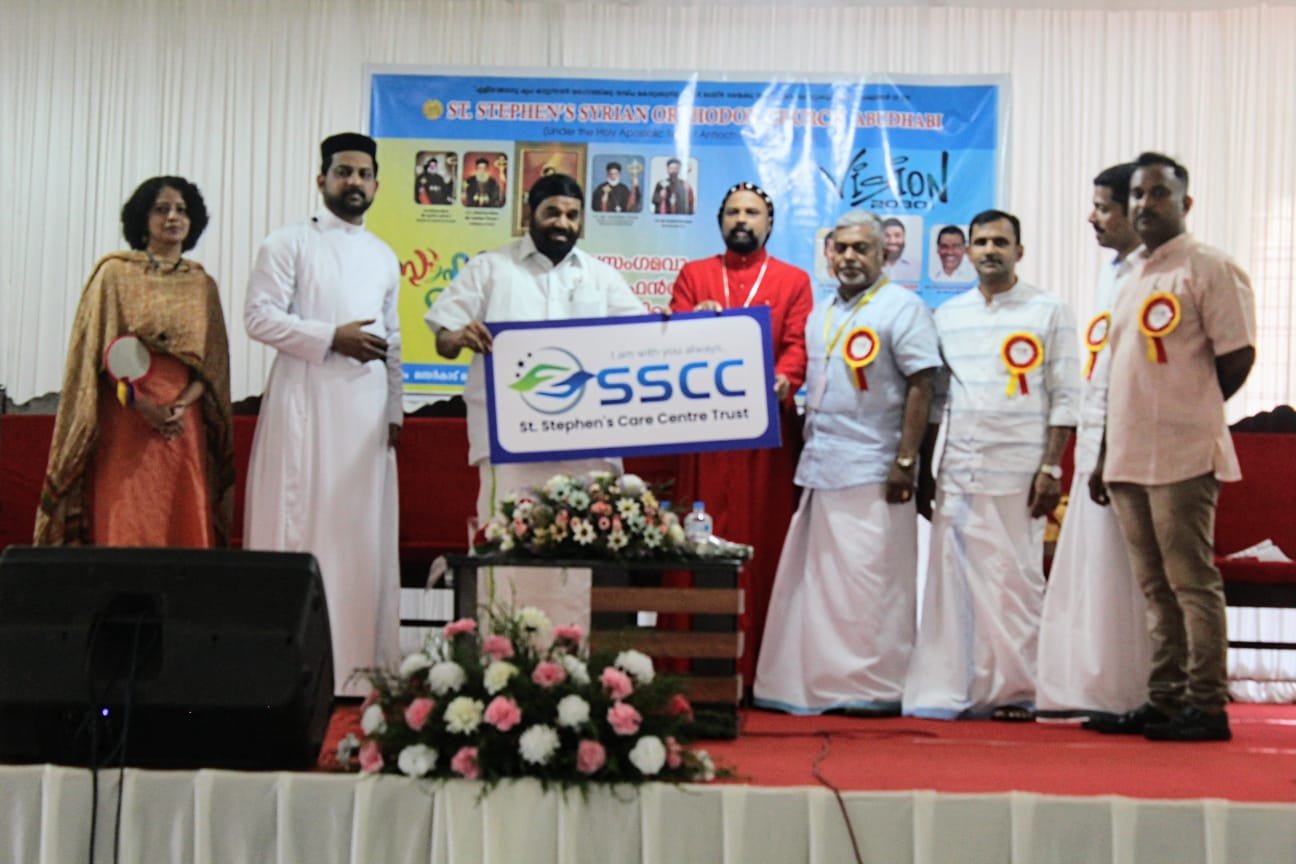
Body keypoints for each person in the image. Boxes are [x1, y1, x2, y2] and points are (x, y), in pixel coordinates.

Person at [426, 173, 644, 629]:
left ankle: (576, 658)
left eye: (572, 215)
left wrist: (682, 327)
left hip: (585, 447)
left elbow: (642, 340)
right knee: (504, 548)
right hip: (510, 443)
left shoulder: (602, 277)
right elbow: (443, 339)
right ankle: (498, 653)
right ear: (530, 214)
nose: (562, 223)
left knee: (581, 557)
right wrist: (459, 336)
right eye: (552, 213)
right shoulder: (490, 268)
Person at [1087, 152, 1256, 742]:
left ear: (1185, 203)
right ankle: (1164, 700)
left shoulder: (1210, 266)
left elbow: (1237, 356)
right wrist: (1104, 453)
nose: (1144, 204)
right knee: (1155, 588)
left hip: (1183, 453)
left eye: (1158, 193)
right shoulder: (1131, 274)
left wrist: (1189, 407)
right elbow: (1121, 372)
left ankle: (1206, 706)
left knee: (1191, 582)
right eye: (1137, 194)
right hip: (1128, 454)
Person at [753, 210, 940, 715]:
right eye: (842, 248)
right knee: (824, 589)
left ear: (885, 254)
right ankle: (824, 684)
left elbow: (923, 385)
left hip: (877, 470)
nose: (850, 257)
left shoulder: (905, 309)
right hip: (822, 466)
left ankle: (875, 687)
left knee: (873, 587)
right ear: (829, 254)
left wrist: (907, 460)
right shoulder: (822, 312)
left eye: (862, 248)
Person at [243, 133, 403, 697]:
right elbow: (258, 318)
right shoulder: (287, 243)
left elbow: (394, 341)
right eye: (343, 172)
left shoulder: (384, 256)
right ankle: (292, 673)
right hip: (305, 408)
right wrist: (331, 337)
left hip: (366, 420)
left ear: (376, 185)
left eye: (363, 174)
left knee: (361, 536)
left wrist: (396, 409)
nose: (353, 182)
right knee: (305, 529)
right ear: (322, 180)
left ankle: (359, 671)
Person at [903, 209, 1079, 721]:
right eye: (980, 242)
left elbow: (1066, 396)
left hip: (1021, 472)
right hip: (960, 470)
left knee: (1015, 583)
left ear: (1019, 252)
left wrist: (1051, 469)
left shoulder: (1050, 310)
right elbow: (935, 402)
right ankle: (956, 686)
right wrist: (924, 471)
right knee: (954, 583)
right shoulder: (947, 315)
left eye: (1000, 242)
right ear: (968, 252)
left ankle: (1017, 691)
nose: (989, 251)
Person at [35, 176, 233, 548]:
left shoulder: (202, 284)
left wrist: (179, 406)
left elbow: (212, 366)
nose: (173, 217)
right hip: (127, 412)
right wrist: (143, 406)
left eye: (181, 210)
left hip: (181, 421)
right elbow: (98, 357)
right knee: (127, 511)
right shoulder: (115, 274)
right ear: (143, 219)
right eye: (162, 209)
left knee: (181, 512)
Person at [669, 182, 814, 687]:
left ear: (769, 223)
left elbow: (797, 344)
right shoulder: (695, 275)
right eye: (732, 212)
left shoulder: (793, 280)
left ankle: (762, 672)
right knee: (697, 540)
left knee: (763, 541)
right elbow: (670, 338)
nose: (742, 220)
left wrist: (786, 378)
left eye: (752, 212)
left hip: (764, 437)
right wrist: (691, 323)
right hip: (704, 435)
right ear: (720, 221)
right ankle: (691, 668)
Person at [1035, 163, 1154, 722]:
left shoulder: (1154, 274)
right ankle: (1096, 682)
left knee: (1126, 572)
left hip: (1130, 446)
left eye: (1104, 208)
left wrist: (1111, 446)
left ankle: (1131, 691)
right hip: (1097, 438)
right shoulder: (1114, 272)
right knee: (1095, 567)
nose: (1092, 218)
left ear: (1135, 211)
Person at [881, 218, 921, 283]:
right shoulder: (871, 266)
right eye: (887, 236)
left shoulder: (917, 267)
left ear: (904, 238)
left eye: (897, 236)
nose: (892, 241)